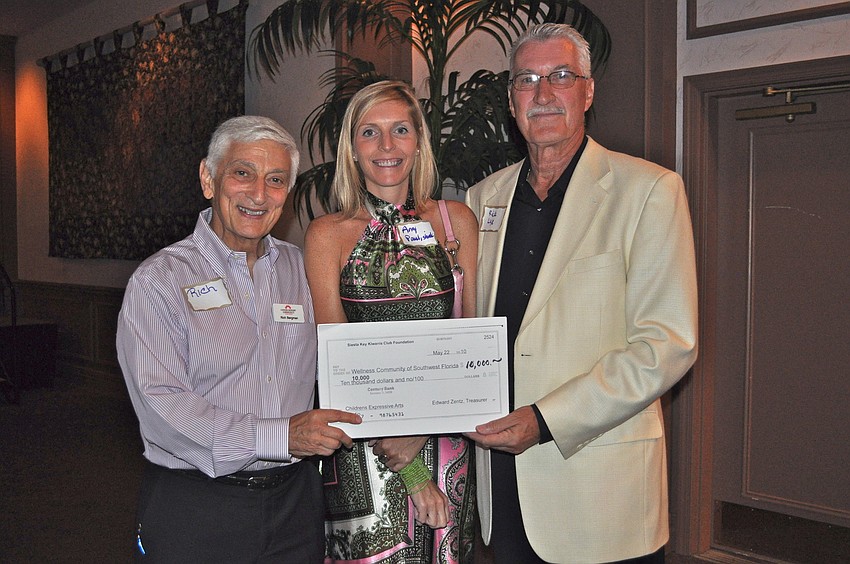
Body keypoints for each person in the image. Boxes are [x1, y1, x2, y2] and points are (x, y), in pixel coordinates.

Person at [464, 23, 698, 564]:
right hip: (502, 489)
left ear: (588, 92)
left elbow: (666, 345)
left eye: (561, 76)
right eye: (527, 80)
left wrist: (544, 420)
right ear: (511, 99)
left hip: (599, 489)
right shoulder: (480, 200)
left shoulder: (649, 191)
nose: (543, 93)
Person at [117, 115, 361, 563]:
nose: (258, 194)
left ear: (286, 196)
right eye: (242, 173)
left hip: (295, 504)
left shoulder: (304, 271)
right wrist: (279, 436)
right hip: (197, 505)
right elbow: (162, 409)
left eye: (275, 180)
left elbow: (346, 353)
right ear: (209, 179)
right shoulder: (159, 281)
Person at [304, 80, 479, 563]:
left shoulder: (455, 221)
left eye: (400, 129)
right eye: (370, 133)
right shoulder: (327, 235)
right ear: (352, 149)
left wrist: (423, 434)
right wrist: (410, 472)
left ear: (419, 141)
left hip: (445, 435)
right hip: (363, 446)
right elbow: (336, 366)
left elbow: (474, 348)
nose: (386, 146)